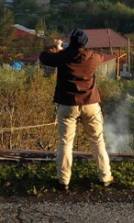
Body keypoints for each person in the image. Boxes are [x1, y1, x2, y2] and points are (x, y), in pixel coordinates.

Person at [39, 28, 112, 190]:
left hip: (67, 104)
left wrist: (56, 47)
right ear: (85, 43)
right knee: (97, 140)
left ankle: (64, 181)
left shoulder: (62, 57)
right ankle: (105, 177)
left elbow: (44, 57)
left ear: (70, 41)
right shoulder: (93, 57)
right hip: (90, 103)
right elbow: (100, 56)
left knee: (66, 142)